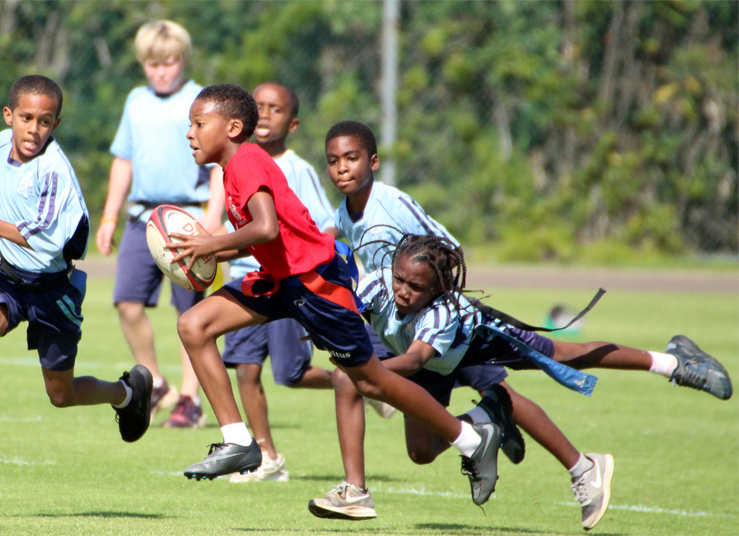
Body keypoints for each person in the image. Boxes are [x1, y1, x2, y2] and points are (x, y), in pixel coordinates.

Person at [311, 120, 732, 530]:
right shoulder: (346, 213)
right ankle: (490, 423)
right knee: (420, 449)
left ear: (375, 161)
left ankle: (668, 366)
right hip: (409, 330)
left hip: (455, 327)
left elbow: (446, 250)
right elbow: (341, 255)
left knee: (563, 356)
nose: (342, 167)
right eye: (333, 161)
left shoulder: (391, 203)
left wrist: (435, 311)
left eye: (351, 158)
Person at [167, 84, 505, 509]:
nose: (190, 133)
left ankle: (473, 439)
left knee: (373, 381)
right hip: (280, 280)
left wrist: (210, 246)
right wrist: (205, 252)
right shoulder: (232, 169)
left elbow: (266, 227)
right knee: (194, 325)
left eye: (199, 124)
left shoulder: (248, 161)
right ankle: (239, 441)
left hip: (315, 286)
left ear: (233, 128)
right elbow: (262, 240)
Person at [0, 75, 152, 491]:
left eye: (45, 121)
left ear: (56, 124)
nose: (33, 129)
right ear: (9, 116)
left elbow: (42, 237)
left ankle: (128, 393)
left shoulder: (55, 170)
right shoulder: (3, 143)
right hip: (9, 279)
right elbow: (8, 189)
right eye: (26, 118)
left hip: (53, 289)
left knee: (61, 394)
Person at [95, 20, 224, 429]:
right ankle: (158, 382)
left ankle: (190, 398)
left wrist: (212, 221)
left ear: (182, 60)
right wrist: (110, 215)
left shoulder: (200, 100)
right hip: (141, 218)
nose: (161, 71)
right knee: (127, 302)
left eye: (168, 62)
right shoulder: (136, 101)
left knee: (191, 315)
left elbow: (221, 163)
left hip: (188, 218)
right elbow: (124, 160)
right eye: (152, 64)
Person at [221, 81, 342, 483]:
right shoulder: (232, 163)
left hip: (288, 279)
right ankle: (266, 455)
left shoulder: (297, 168)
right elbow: (229, 224)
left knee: (290, 373)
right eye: (261, 106)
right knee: (245, 369)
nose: (267, 114)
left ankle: (352, 381)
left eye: (277, 108)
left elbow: (323, 223)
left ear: (292, 124)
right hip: (245, 278)